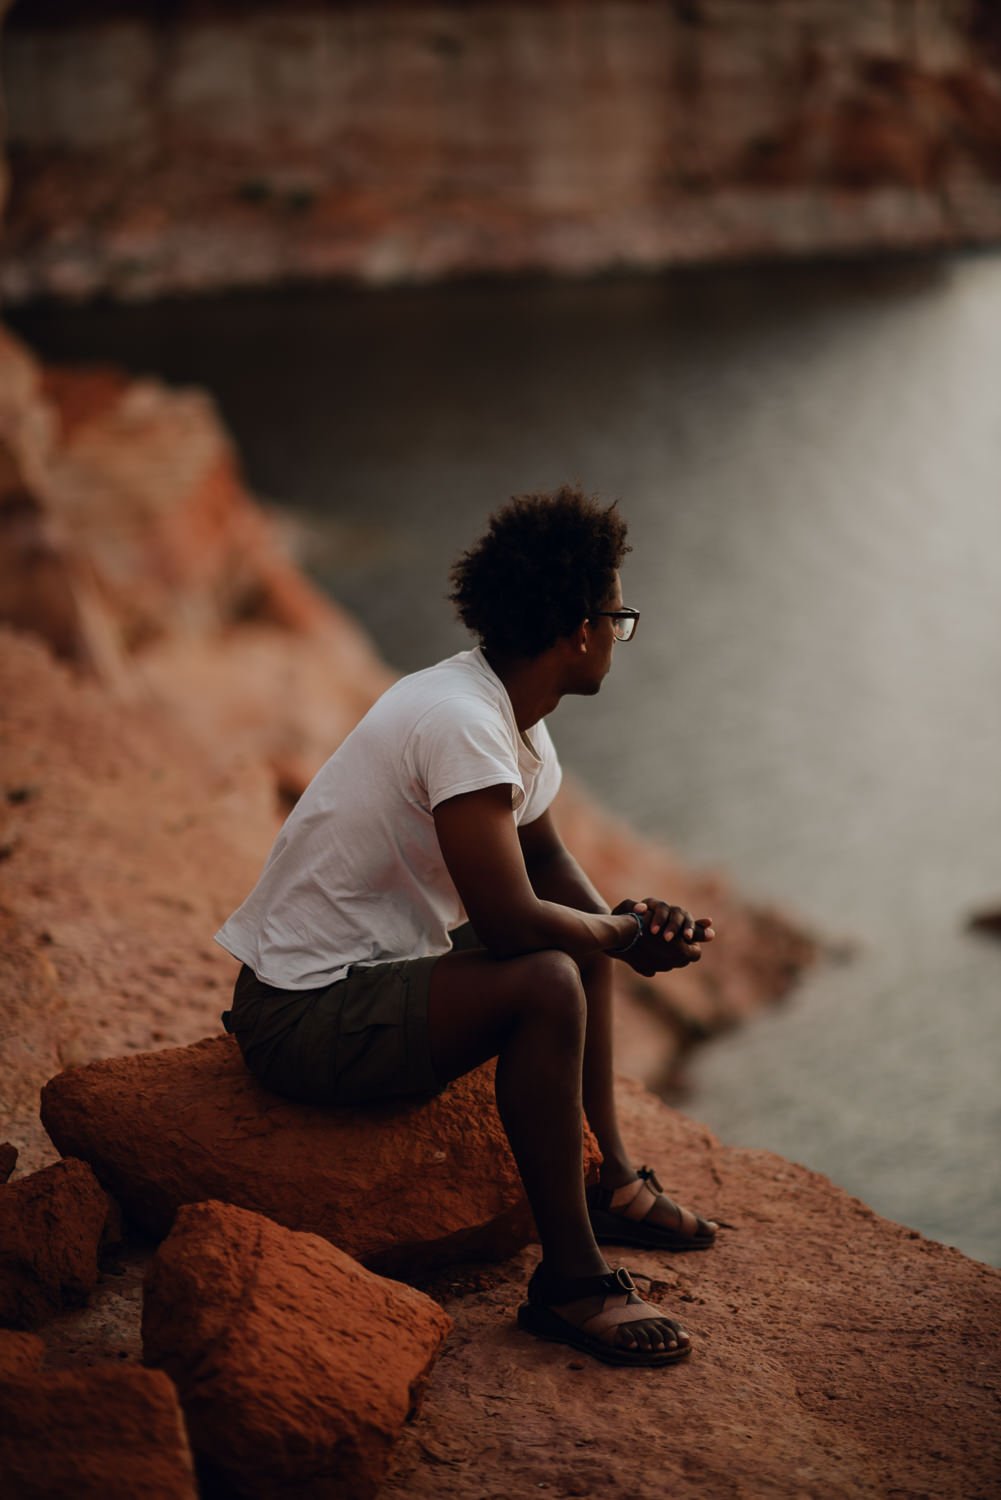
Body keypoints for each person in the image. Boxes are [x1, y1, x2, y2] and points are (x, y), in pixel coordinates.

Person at [216, 485, 718, 1369]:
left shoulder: (504, 710)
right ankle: (568, 1284)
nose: (616, 635)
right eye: (616, 617)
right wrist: (620, 939)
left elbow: (549, 870)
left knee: (578, 938)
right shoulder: (460, 722)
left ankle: (609, 1180)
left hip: (366, 976)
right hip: (302, 1015)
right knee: (550, 971)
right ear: (577, 632)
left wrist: (621, 925)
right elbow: (509, 918)